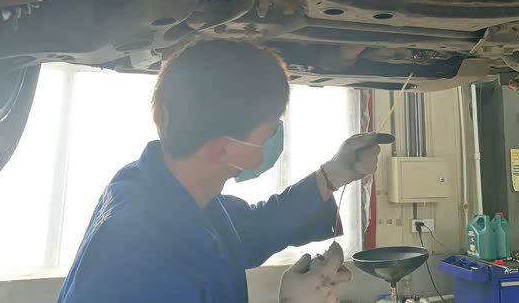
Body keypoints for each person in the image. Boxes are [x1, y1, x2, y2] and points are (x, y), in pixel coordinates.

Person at [57, 40, 382, 303]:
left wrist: (334, 174)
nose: (273, 137)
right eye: (268, 131)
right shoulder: (144, 267)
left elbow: (254, 227)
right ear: (223, 149)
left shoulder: (157, 188)